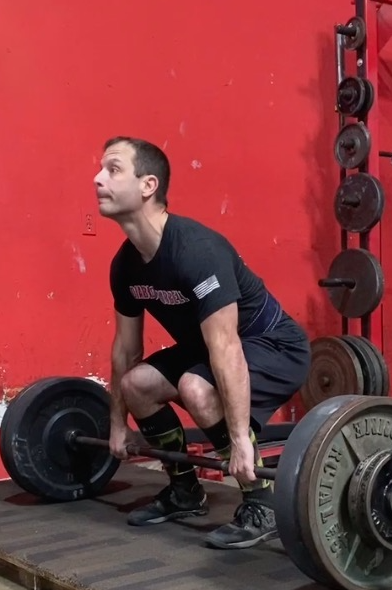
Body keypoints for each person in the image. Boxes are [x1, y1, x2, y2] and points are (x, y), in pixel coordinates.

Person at [94, 136, 311, 550]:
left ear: (148, 185)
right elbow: (125, 350)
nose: (98, 178)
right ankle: (184, 492)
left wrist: (241, 441)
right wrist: (118, 423)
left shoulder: (196, 250)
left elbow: (227, 347)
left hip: (274, 344)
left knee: (197, 386)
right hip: (211, 348)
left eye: (113, 169)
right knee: (137, 384)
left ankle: (259, 501)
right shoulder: (124, 265)